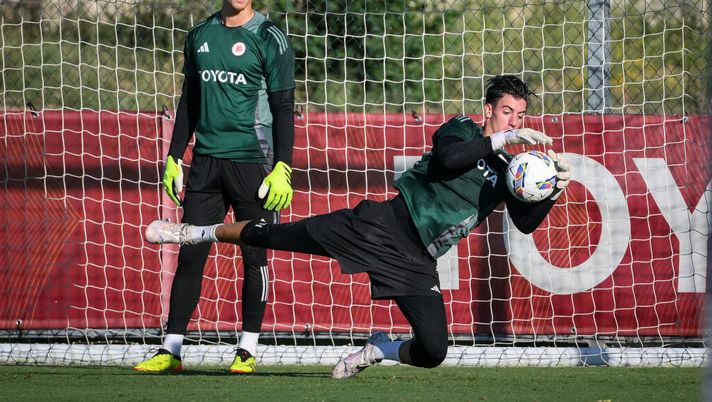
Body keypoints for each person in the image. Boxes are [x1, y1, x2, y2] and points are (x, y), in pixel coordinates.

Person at [143, 75, 571, 378]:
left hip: (417, 261)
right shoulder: (460, 130)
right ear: (488, 111)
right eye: (507, 112)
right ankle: (195, 232)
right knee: (279, 235)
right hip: (380, 226)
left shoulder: (512, 168)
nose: (514, 122)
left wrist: (552, 189)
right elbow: (448, 161)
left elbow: (524, 221)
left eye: (519, 115)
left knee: (434, 351)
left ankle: (379, 348)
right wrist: (498, 141)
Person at [134, 0, 295, 374]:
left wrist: (282, 166)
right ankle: (171, 350)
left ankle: (247, 350)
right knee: (190, 256)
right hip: (205, 166)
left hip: (255, 166)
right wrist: (175, 156)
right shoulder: (199, 36)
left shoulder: (270, 37)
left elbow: (283, 105)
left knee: (255, 258)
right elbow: (189, 99)